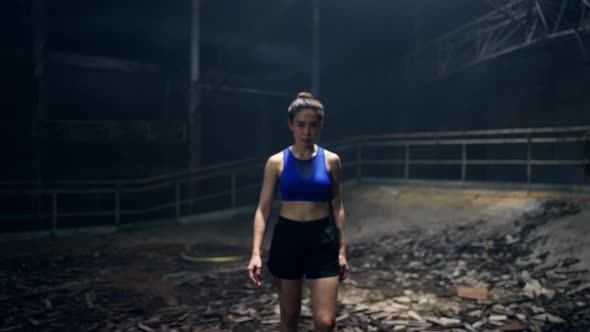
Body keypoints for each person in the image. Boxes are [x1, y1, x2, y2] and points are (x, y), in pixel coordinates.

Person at [248, 92, 349, 332]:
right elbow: (263, 209)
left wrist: (342, 249)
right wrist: (255, 253)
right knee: (290, 316)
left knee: (326, 322)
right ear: (291, 125)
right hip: (288, 238)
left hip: (322, 239)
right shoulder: (276, 162)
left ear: (320, 126)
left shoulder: (331, 160)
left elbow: (337, 206)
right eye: (301, 125)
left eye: (313, 125)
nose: (307, 131)